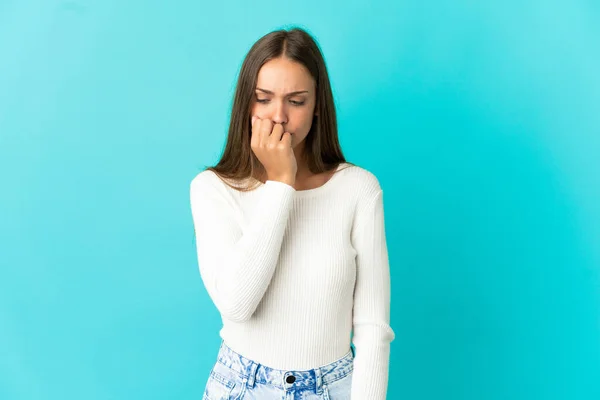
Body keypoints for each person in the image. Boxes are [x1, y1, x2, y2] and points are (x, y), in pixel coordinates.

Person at [189, 26, 395, 400]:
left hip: (333, 387)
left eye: (296, 101)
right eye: (263, 99)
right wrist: (281, 183)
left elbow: (372, 328)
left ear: (318, 107)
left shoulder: (358, 189)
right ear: (245, 105)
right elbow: (237, 304)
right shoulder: (212, 189)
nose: (278, 116)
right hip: (242, 387)